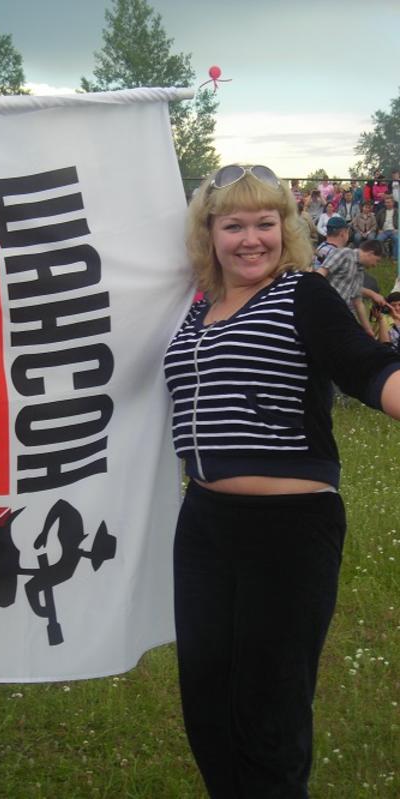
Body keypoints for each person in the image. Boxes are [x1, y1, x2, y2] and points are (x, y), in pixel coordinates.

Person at [164, 163, 400, 799]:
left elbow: (366, 365)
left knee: (269, 710)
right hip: (204, 525)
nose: (251, 239)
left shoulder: (302, 294)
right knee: (207, 704)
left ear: (285, 228)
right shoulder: (195, 308)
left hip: (289, 531)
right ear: (209, 234)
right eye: (233, 225)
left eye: (264, 223)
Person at [315, 239, 384, 337]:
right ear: (370, 253)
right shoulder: (345, 253)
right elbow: (320, 274)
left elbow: (358, 303)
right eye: (377, 261)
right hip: (324, 308)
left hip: (340, 315)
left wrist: (368, 330)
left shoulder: (360, 272)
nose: (375, 265)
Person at [376, 194, 398, 259]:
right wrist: (379, 229)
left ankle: (395, 257)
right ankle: (383, 255)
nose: (387, 204)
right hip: (384, 231)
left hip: (394, 231)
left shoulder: (397, 211)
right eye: (386, 202)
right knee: (378, 240)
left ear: (393, 203)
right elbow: (376, 222)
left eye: (389, 202)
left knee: (397, 240)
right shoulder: (381, 212)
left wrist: (398, 229)